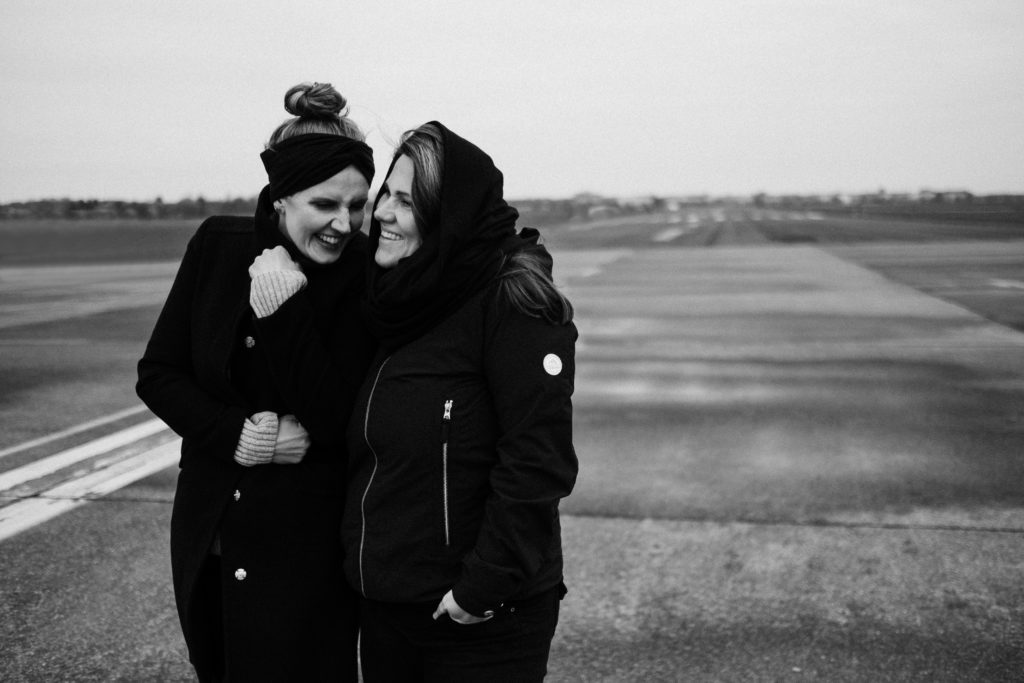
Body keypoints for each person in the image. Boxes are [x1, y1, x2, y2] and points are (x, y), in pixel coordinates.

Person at [135, 82, 376, 682]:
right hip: (211, 533)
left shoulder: (368, 276)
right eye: (325, 205)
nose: (344, 224)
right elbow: (158, 374)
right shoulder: (217, 248)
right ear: (282, 199)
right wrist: (245, 438)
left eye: (357, 204)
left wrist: (283, 308)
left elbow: (340, 417)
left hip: (307, 552)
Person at [347, 121, 578, 681]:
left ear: (446, 212)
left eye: (407, 200)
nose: (383, 213)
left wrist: (482, 588)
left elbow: (537, 460)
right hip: (388, 607)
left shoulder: (511, 300)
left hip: (478, 621)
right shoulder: (396, 296)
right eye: (386, 196)